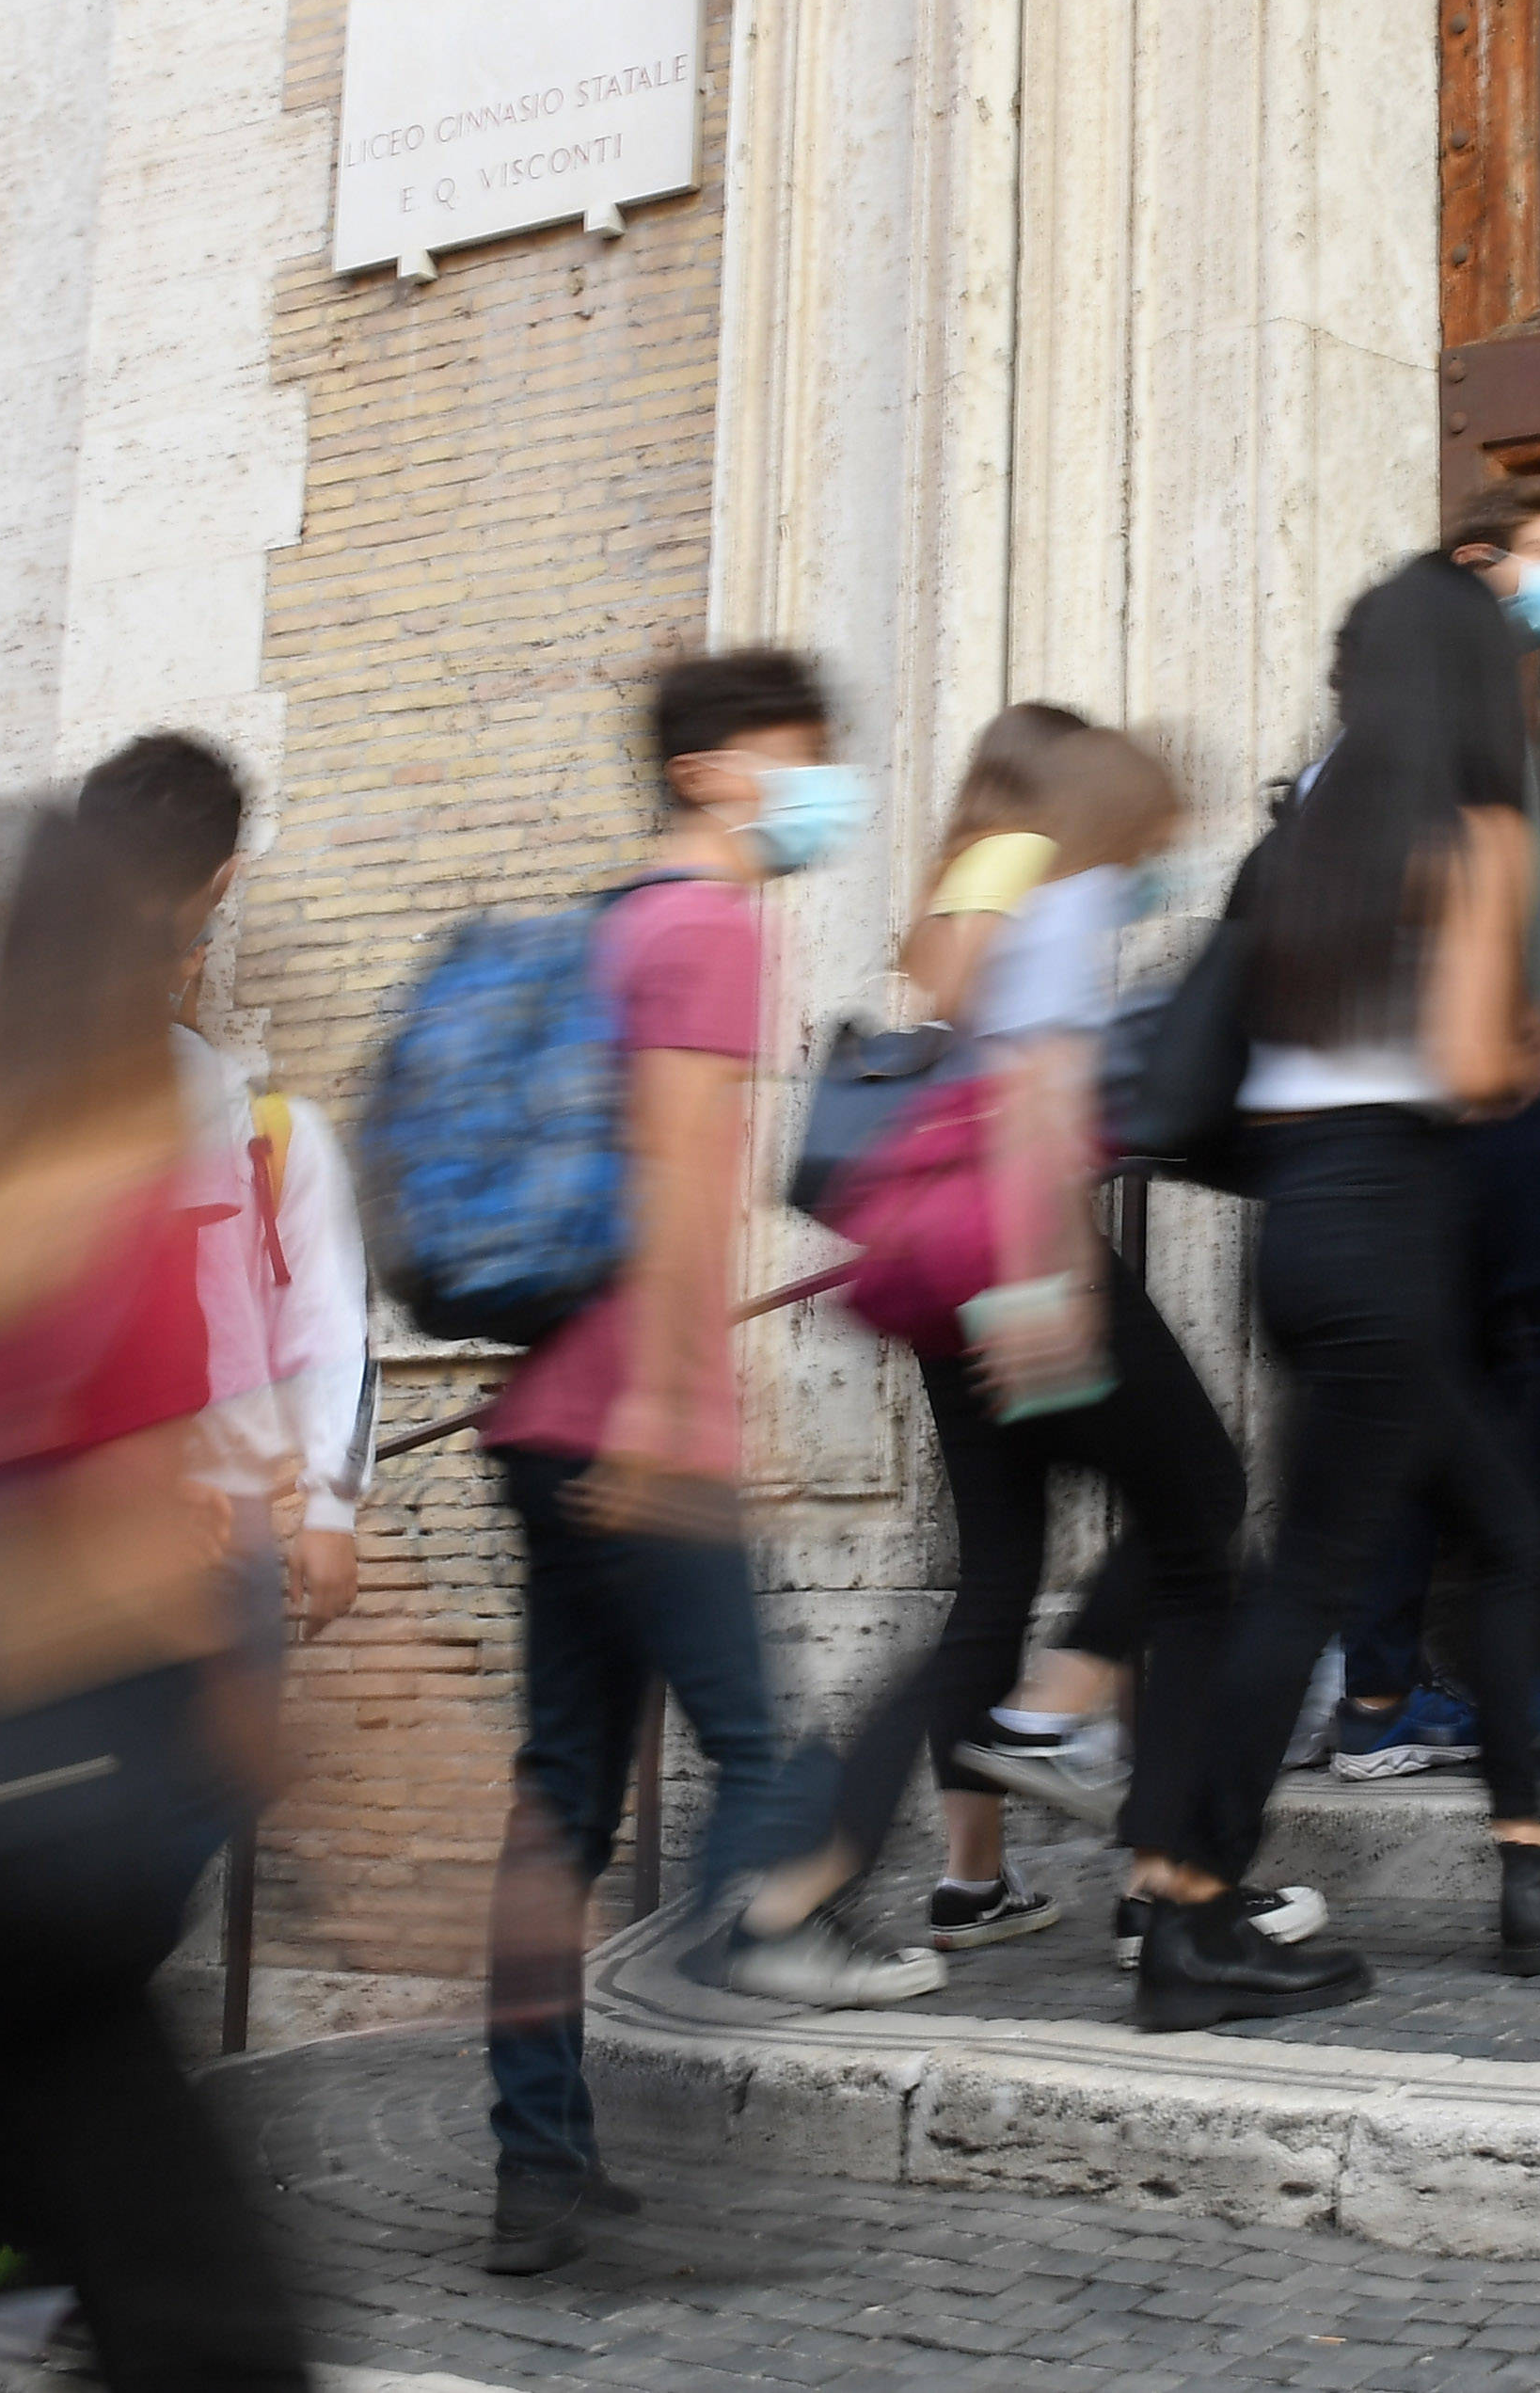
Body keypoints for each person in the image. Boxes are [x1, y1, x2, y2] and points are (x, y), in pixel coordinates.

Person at [0, 807, 311, 2391]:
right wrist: (266, 1714)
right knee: (217, 2336)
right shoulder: (115, 1202)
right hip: (34, 1866)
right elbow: (113, 1548)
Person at [1135, 558, 1540, 2022]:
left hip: (1301, 1231)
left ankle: (1536, 1865)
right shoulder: (1473, 829)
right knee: (1310, 1573)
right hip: (1390, 1235)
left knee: (1492, 1528)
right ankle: (1187, 1901)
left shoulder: (1310, 834)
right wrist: (1539, 1045)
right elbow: (1472, 1067)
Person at [475, 648, 938, 2279]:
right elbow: (679, 1195)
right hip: (629, 1420)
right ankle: (776, 1922)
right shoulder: (709, 927)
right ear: (708, 770)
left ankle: (538, 2159)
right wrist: (679, 1421)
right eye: (794, 755)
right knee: (764, 1747)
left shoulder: (618, 920)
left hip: (546, 1412)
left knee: (560, 1811)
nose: (822, 787)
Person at [745, 723, 1276, 1980]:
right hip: (1028, 1263)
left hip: (954, 1287)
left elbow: (940, 992)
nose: (1160, 861)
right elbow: (1038, 1083)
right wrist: (1053, 1283)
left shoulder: (982, 875)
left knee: (993, 1585)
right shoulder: (1055, 882)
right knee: (1204, 1508)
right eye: (1155, 836)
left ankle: (799, 1894)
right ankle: (1158, 1865)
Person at [1328, 478, 1540, 1773]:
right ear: (1474, 566)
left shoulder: (1511, 714)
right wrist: (1509, 1042)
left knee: (1483, 1389)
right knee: (1454, 1403)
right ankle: (1423, 1699)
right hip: (1441, 1127)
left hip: (1476, 1122)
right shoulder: (1424, 741)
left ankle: (1413, 1696)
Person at [74, 733, 374, 1639]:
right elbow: (330, 1322)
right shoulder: (255, 1122)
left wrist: (328, 1506)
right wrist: (329, 1511)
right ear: (227, 877)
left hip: (62, 1524)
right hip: (186, 1514)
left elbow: (326, 1319)